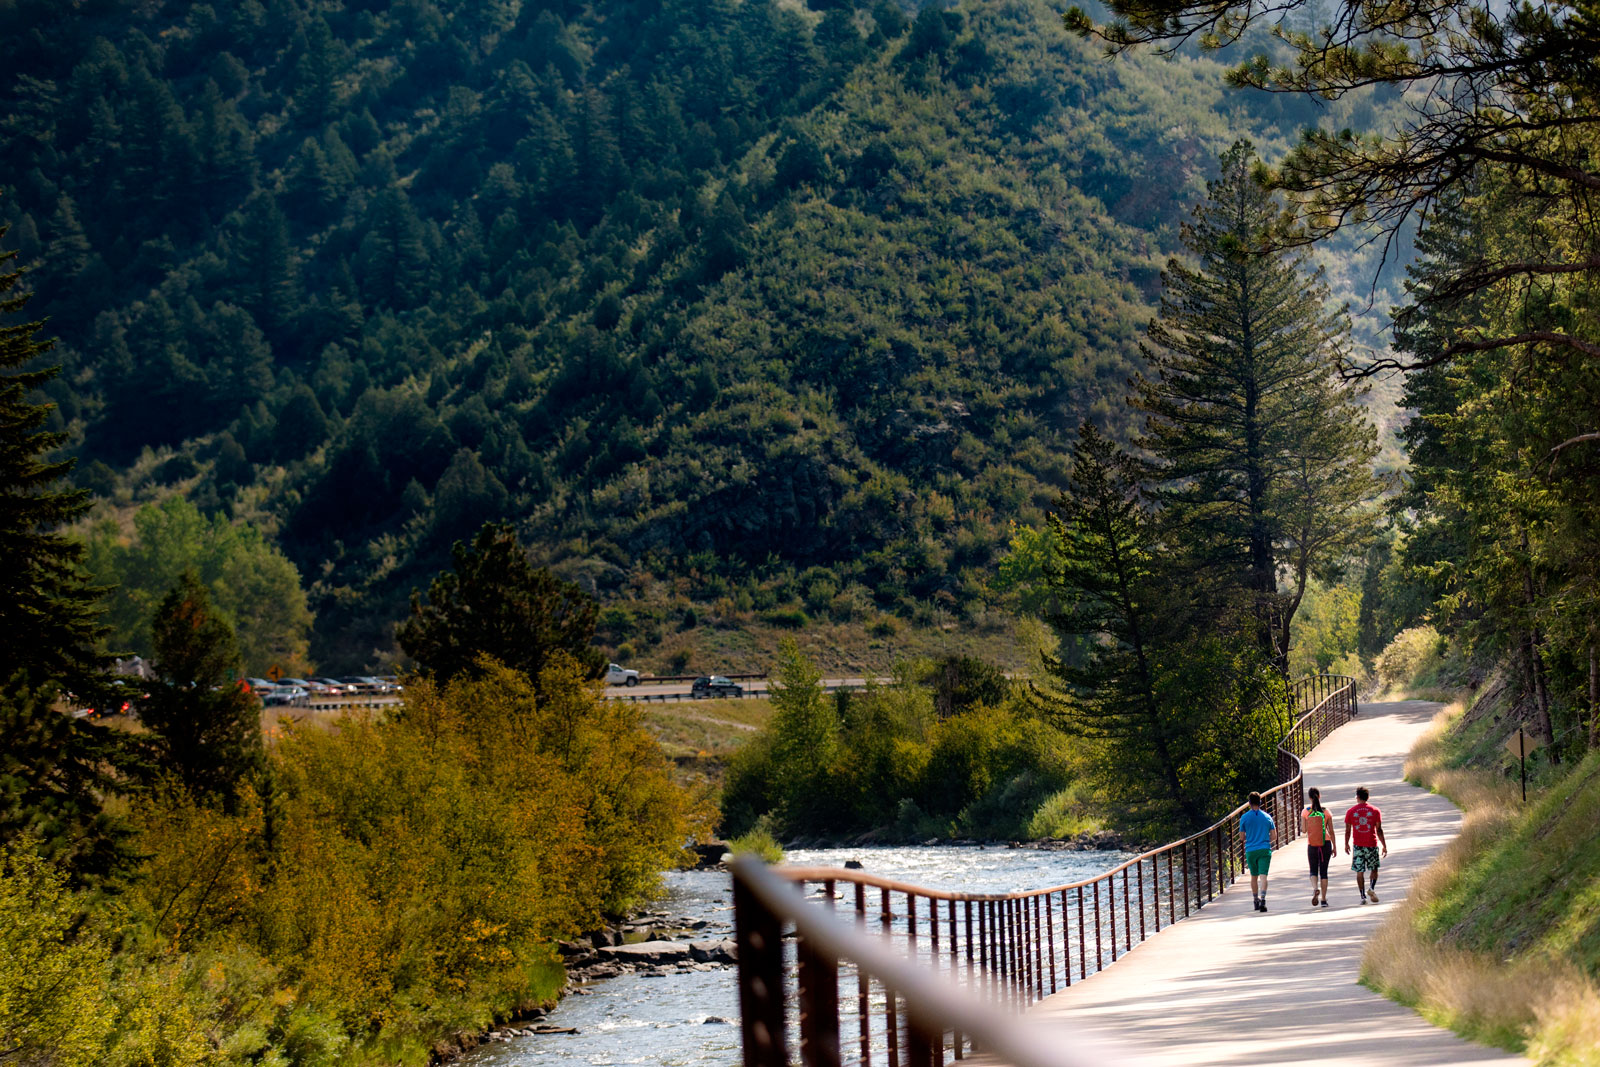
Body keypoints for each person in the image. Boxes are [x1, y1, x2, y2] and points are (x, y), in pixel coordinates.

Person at [1344, 785, 1388, 903]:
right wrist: (1384, 845)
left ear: (1357, 797)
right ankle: (1371, 888)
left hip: (1358, 845)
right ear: (1368, 797)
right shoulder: (1375, 811)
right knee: (1374, 869)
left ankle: (1362, 896)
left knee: (1360, 871)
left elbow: (1348, 830)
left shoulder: (1350, 811)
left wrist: (1346, 844)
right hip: (1371, 844)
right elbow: (1379, 830)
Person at [1238, 791, 1276, 912]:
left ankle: (1255, 900)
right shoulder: (1267, 817)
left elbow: (1241, 837)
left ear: (1249, 803)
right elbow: (1274, 836)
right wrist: (1264, 839)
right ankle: (1263, 899)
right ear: (1260, 802)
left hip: (1251, 850)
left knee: (1253, 876)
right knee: (1263, 876)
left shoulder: (1244, 818)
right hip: (1264, 849)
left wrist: (1251, 838)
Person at [1303, 787, 1336, 908]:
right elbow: (1331, 831)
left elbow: (1303, 830)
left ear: (1309, 798)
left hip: (1312, 844)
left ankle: (1315, 888)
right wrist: (1334, 846)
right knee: (1324, 872)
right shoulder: (1326, 811)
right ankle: (1323, 900)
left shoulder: (1306, 812)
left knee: (1313, 870)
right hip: (1325, 843)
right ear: (1319, 796)